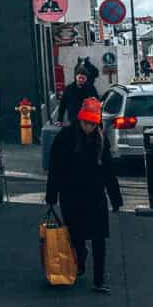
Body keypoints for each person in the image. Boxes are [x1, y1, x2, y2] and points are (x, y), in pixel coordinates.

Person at [45, 97, 123, 293]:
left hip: (95, 194)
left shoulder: (100, 139)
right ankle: (80, 259)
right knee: (76, 234)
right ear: (79, 120)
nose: (89, 127)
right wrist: (51, 197)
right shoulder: (66, 137)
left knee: (99, 237)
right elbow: (55, 168)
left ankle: (99, 279)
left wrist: (115, 199)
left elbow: (108, 170)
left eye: (92, 123)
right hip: (71, 194)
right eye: (86, 123)